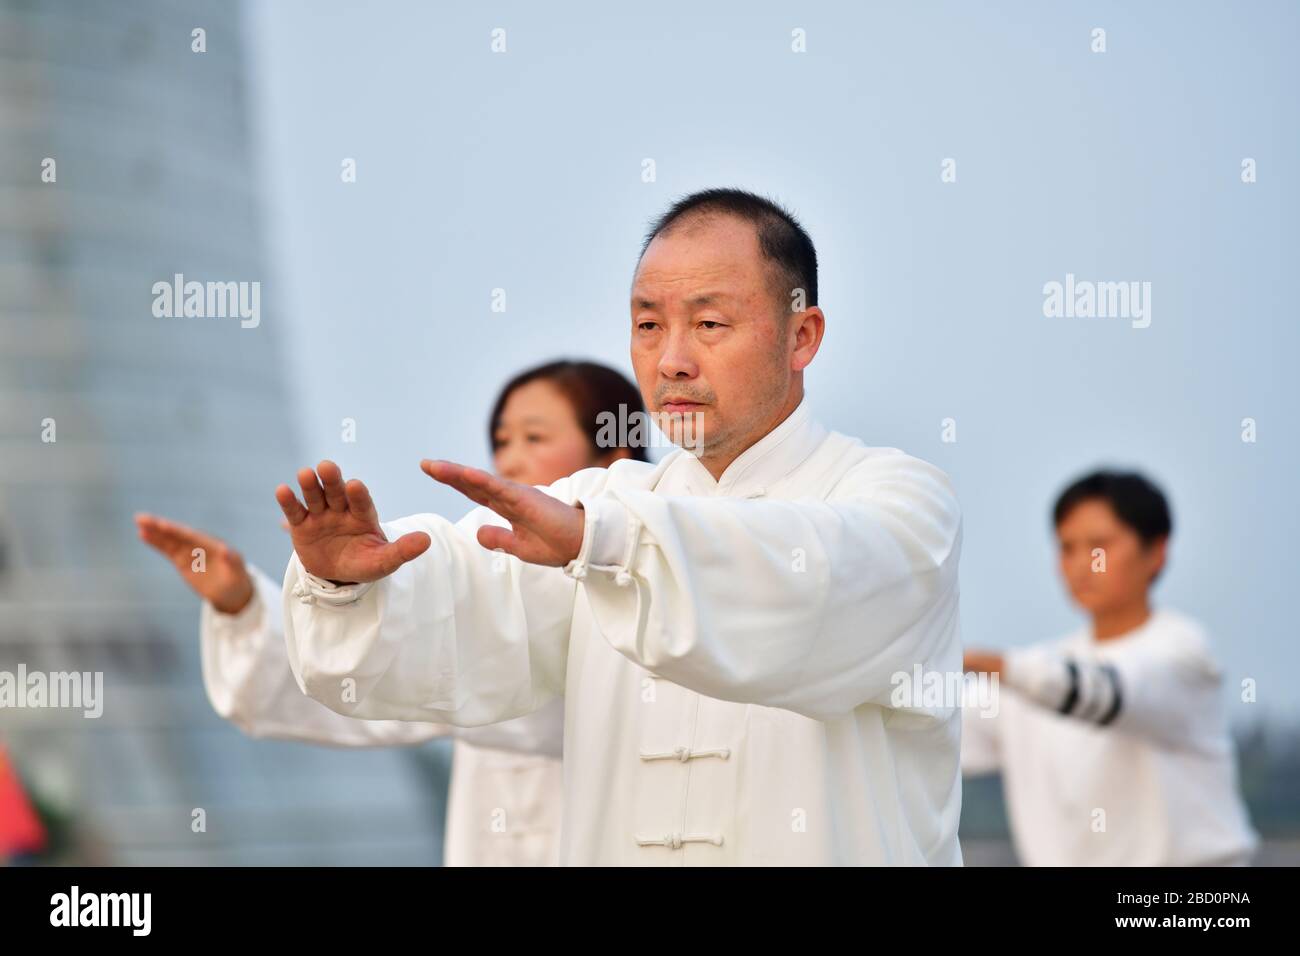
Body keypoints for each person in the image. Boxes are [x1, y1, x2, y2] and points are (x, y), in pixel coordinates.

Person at [272, 188, 965, 865]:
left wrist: (602, 544)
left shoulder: (900, 502)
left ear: (801, 335)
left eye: (710, 324)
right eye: (647, 326)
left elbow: (815, 580)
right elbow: (458, 598)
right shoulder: (596, 504)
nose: (671, 361)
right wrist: (344, 580)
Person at [137, 360, 645, 866]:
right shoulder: (489, 588)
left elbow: (544, 706)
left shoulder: (646, 586)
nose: (509, 460)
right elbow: (358, 695)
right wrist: (258, 603)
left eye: (534, 438)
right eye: (502, 441)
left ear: (613, 459)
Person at [962, 470, 1258, 866]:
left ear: (1156, 551)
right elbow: (930, 726)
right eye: (1067, 548)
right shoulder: (1025, 678)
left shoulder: (1182, 654)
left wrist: (982, 662)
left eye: (1099, 547)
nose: (1082, 565)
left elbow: (1108, 692)